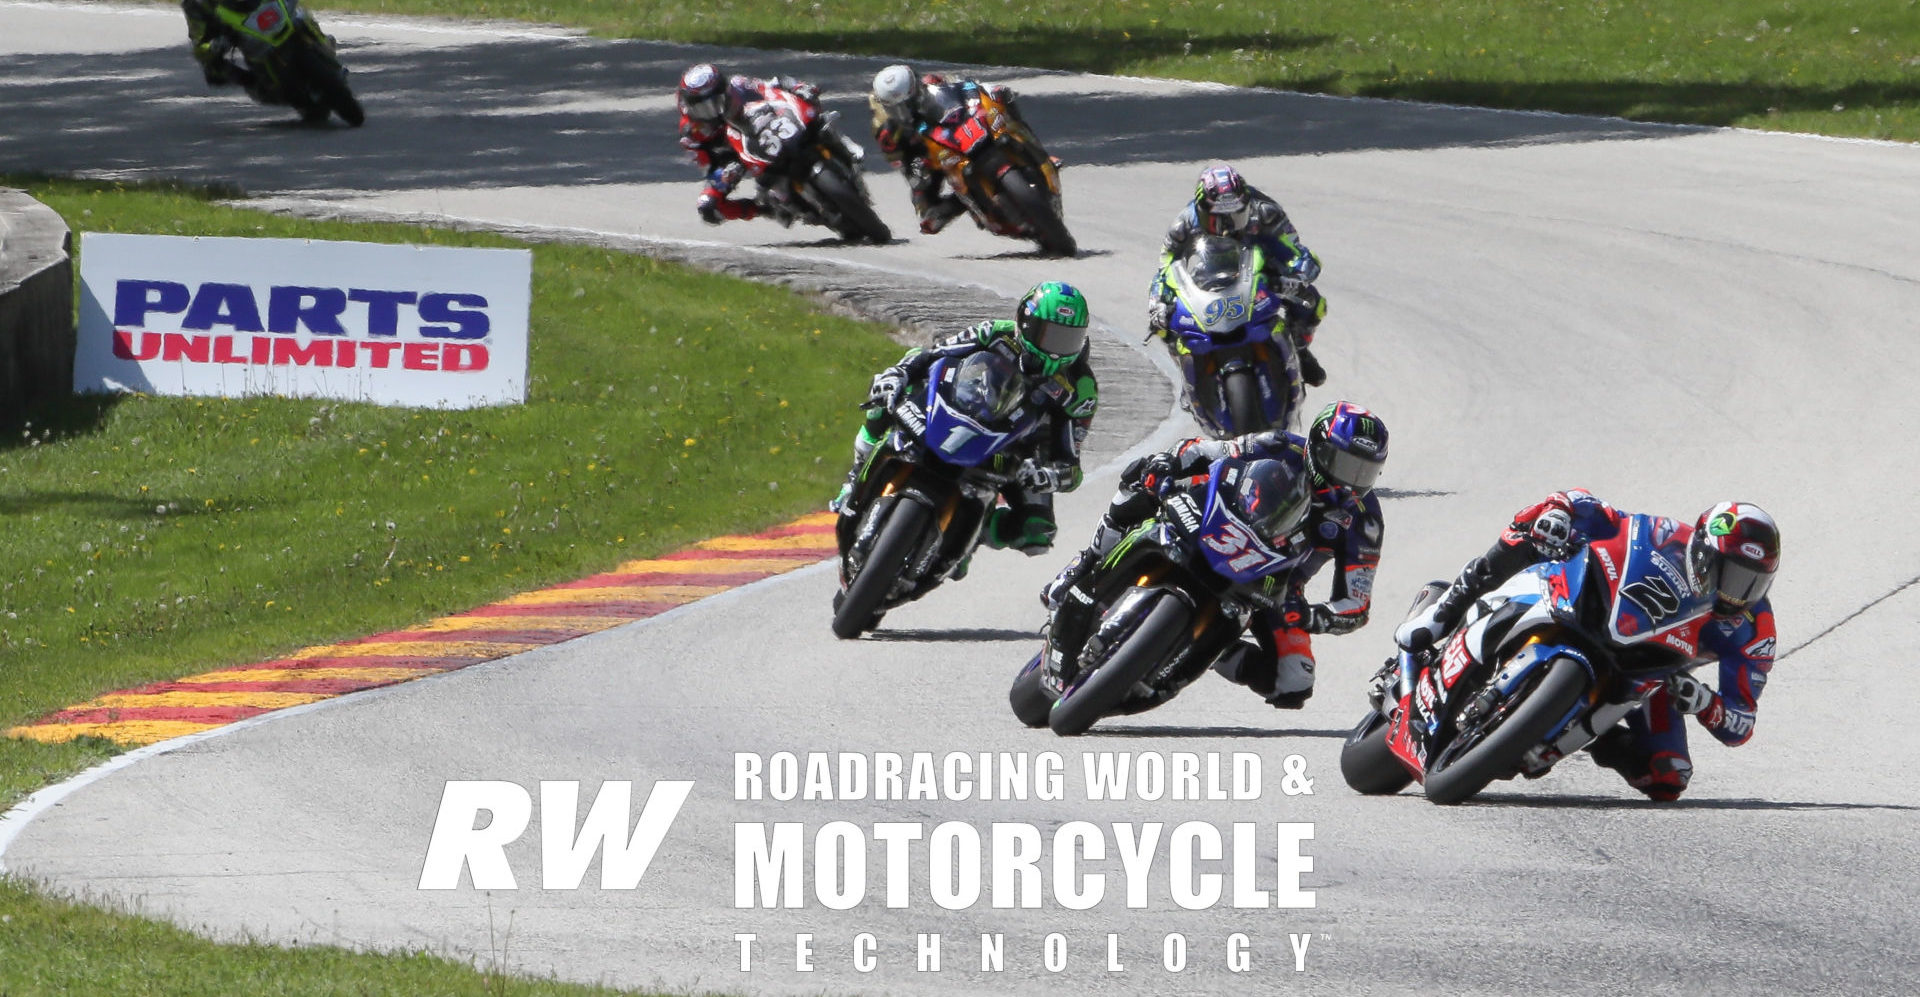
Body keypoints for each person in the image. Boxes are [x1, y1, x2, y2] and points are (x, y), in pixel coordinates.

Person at [1394, 492, 1781, 801]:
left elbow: (1741, 723)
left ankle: (1574, 731)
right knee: (1533, 526)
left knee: (1668, 775)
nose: (1737, 595)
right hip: (1606, 614)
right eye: (1730, 575)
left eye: (1752, 584)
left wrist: (1703, 702)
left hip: (1656, 670)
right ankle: (1443, 613)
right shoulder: (1666, 535)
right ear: (1702, 552)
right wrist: (1562, 513)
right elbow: (1599, 511)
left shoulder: (1754, 630)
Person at [1042, 401, 1390, 709]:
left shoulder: (1365, 520)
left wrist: (1314, 617)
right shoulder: (1278, 445)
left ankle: (1202, 650)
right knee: (1139, 483)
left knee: (1293, 683)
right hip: (1218, 521)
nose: (1350, 482)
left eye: (1364, 472)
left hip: (1275, 581)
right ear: (1317, 448)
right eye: (1344, 465)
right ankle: (1087, 563)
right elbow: (1207, 450)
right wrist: (1170, 463)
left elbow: (1356, 604)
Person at [832, 281, 1097, 557]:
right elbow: (933, 354)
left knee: (1037, 533)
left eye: (1068, 340)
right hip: (969, 411)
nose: (1056, 350)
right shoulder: (994, 333)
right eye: (1050, 336)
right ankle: (856, 473)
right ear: (1026, 322)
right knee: (890, 383)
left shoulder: (1080, 388)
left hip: (1019, 455)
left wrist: (1048, 475)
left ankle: (970, 537)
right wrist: (897, 374)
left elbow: (1071, 464)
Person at [1149, 164, 1330, 386]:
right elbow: (1167, 265)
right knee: (1166, 324)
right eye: (1218, 220)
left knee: (1312, 303)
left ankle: (1298, 349)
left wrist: (1299, 272)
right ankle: (1189, 379)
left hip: (1262, 263)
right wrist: (1158, 302)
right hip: (1210, 268)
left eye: (1237, 217)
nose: (1228, 228)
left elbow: (1292, 247)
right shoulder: (1184, 224)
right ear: (1201, 211)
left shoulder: (1266, 212)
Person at [867, 64, 1040, 235]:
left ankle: (1031, 146)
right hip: (929, 153)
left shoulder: (934, 82)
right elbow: (901, 163)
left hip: (957, 126)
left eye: (908, 103)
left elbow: (965, 87)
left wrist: (988, 91)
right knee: (926, 207)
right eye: (896, 108)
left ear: (918, 88)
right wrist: (917, 171)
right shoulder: (887, 131)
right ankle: (971, 207)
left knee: (1003, 98)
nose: (904, 111)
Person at [677, 65, 848, 226]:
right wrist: (725, 173)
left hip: (766, 125)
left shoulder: (738, 85)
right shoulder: (691, 132)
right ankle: (766, 209)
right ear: (689, 108)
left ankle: (844, 147)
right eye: (703, 108)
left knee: (815, 115)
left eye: (717, 102)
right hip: (738, 159)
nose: (714, 112)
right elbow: (707, 167)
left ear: (726, 91)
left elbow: (774, 84)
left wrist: (799, 87)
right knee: (708, 206)